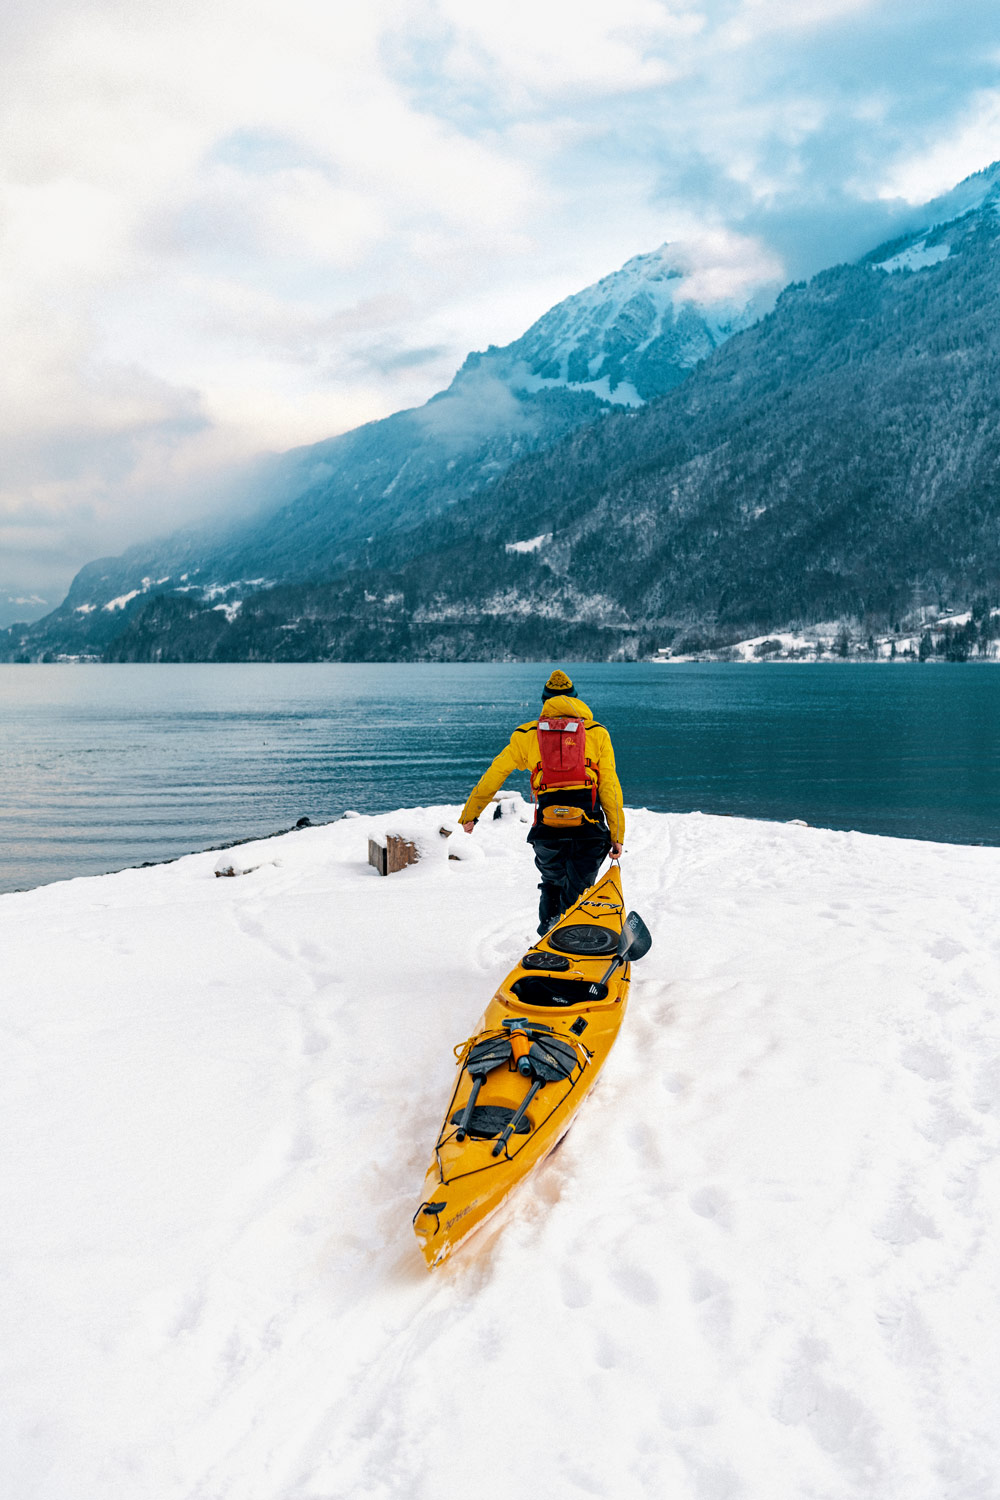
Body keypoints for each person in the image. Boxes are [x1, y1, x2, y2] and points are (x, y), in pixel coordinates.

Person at [458, 669, 625, 934]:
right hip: (589, 830)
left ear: (544, 701)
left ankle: (548, 935)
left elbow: (494, 775)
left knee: (552, 883)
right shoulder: (597, 733)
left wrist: (471, 814)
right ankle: (572, 939)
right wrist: (616, 834)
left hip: (547, 830)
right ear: (575, 699)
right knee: (580, 889)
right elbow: (610, 789)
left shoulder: (527, 735)